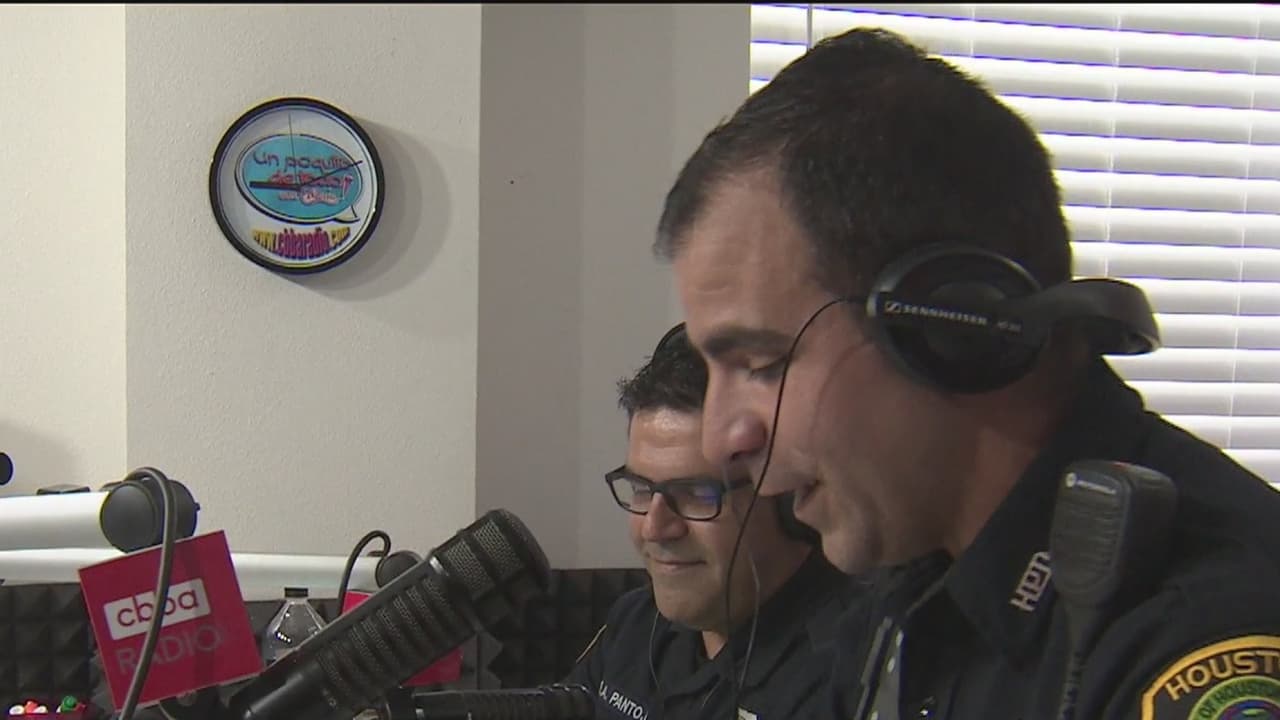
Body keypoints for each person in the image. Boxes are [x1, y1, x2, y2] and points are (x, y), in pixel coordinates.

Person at [653, 25, 1280, 720]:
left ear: (955, 327)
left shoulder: (1200, 630)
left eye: (763, 365)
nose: (720, 439)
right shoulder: (904, 569)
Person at [566, 323, 861, 720]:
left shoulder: (851, 668)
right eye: (640, 488)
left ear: (789, 495)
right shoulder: (636, 624)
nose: (654, 527)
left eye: (695, 492)